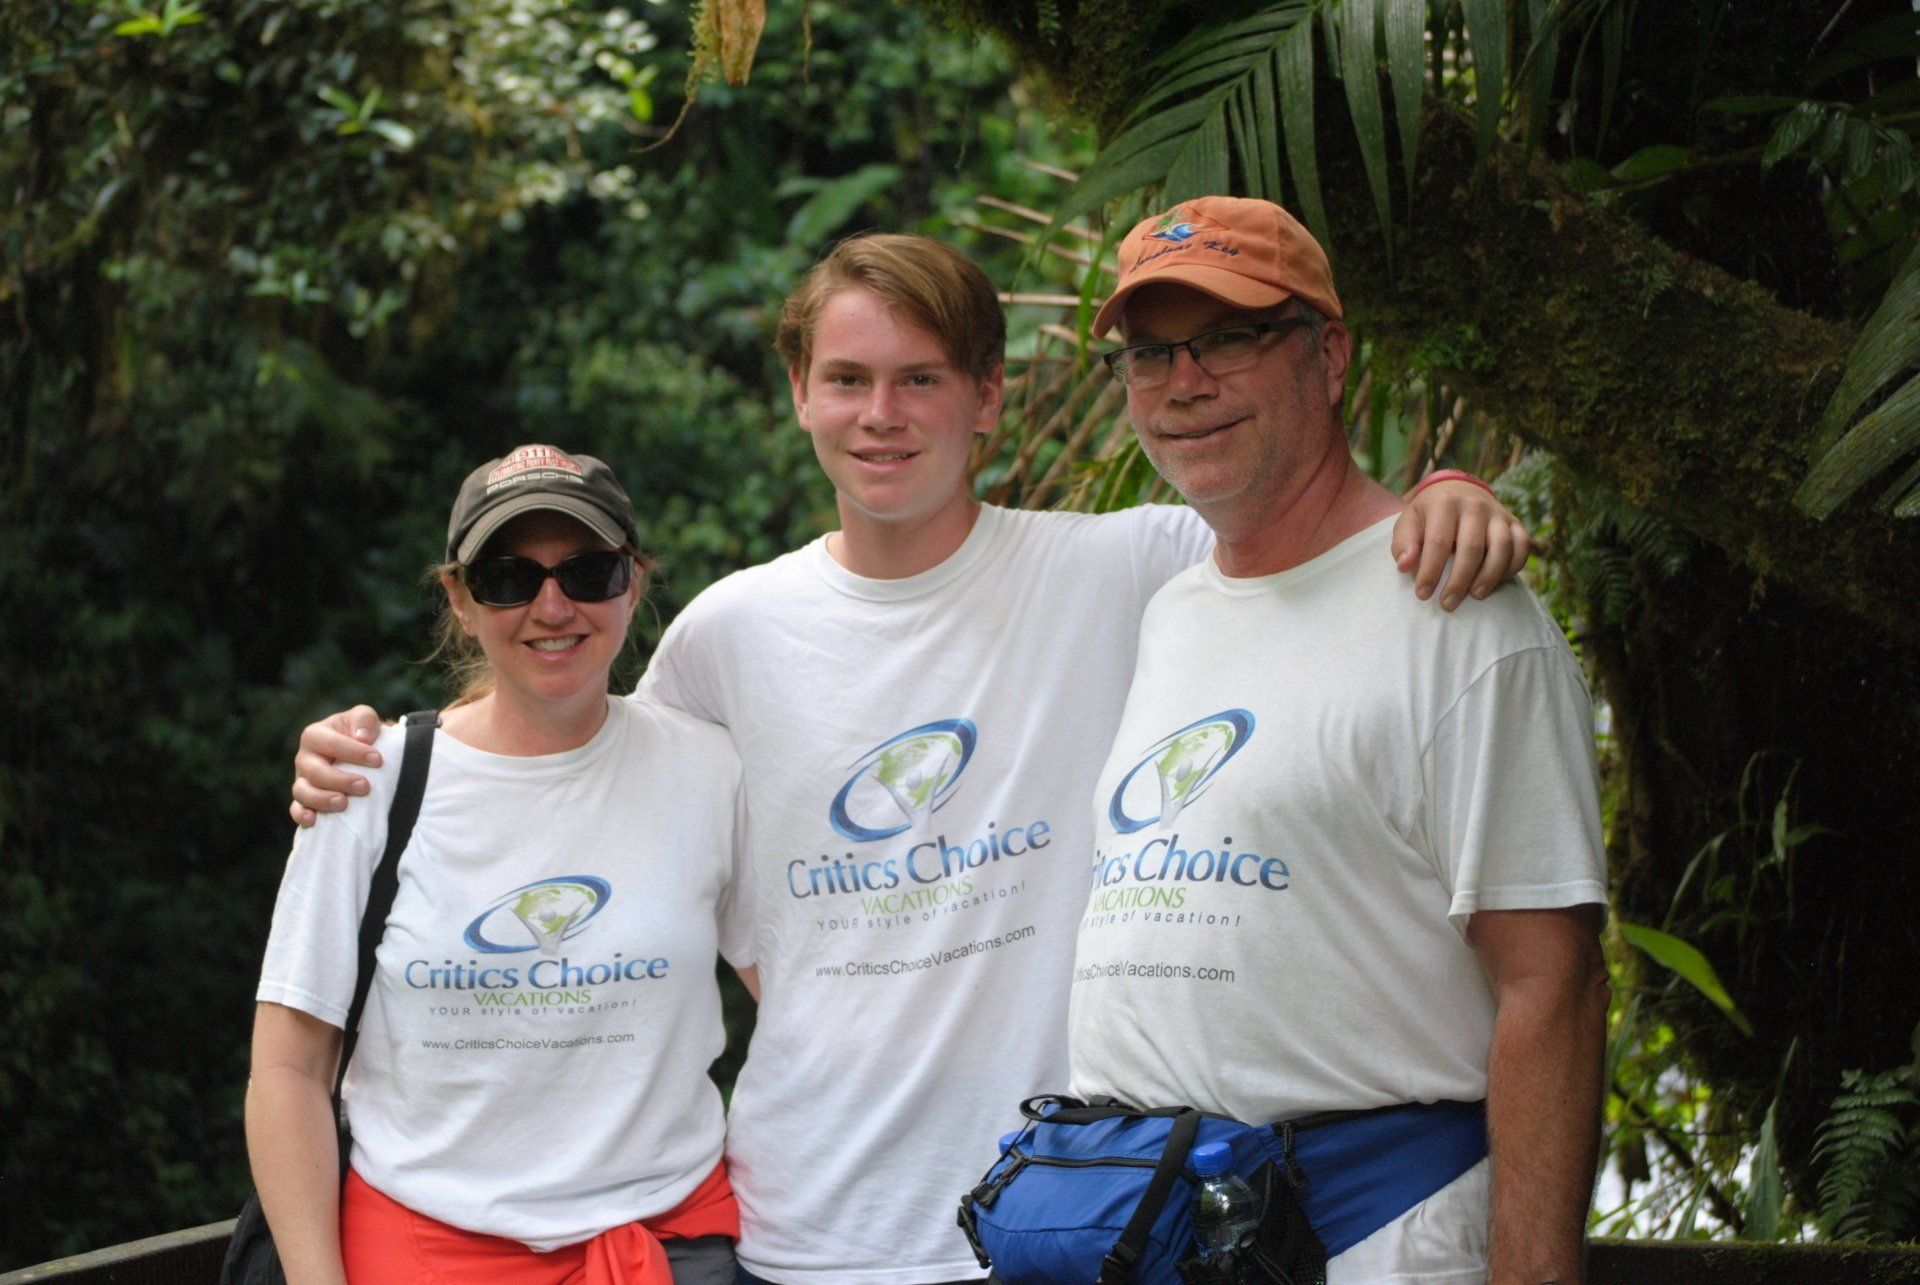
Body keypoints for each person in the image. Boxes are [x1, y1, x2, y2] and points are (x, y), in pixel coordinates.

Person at [287, 235, 1534, 1284]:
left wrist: (1448, 490)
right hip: (808, 1223)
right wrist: (374, 757)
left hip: (1073, 1215)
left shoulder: (1131, 567)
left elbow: (1299, 523)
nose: (882, 416)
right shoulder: (728, 635)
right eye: (847, 378)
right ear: (799, 393)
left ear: (987, 395)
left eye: (921, 378)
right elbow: (575, 800)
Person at [1065, 196, 1610, 1283]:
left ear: (1330, 355)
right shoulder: (1172, 608)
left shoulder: (1457, 609)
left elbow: (1554, 982)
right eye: (1152, 353)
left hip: (1375, 1227)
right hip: (1158, 1220)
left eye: (1229, 337)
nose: (1185, 381)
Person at [248, 445, 744, 1284]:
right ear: (460, 599)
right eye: (509, 578)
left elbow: (807, 987)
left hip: (667, 1246)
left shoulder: (709, 767)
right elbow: (289, 1068)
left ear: (635, 580)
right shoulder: (373, 783)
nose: (553, 605)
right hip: (423, 1250)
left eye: (587, 570)